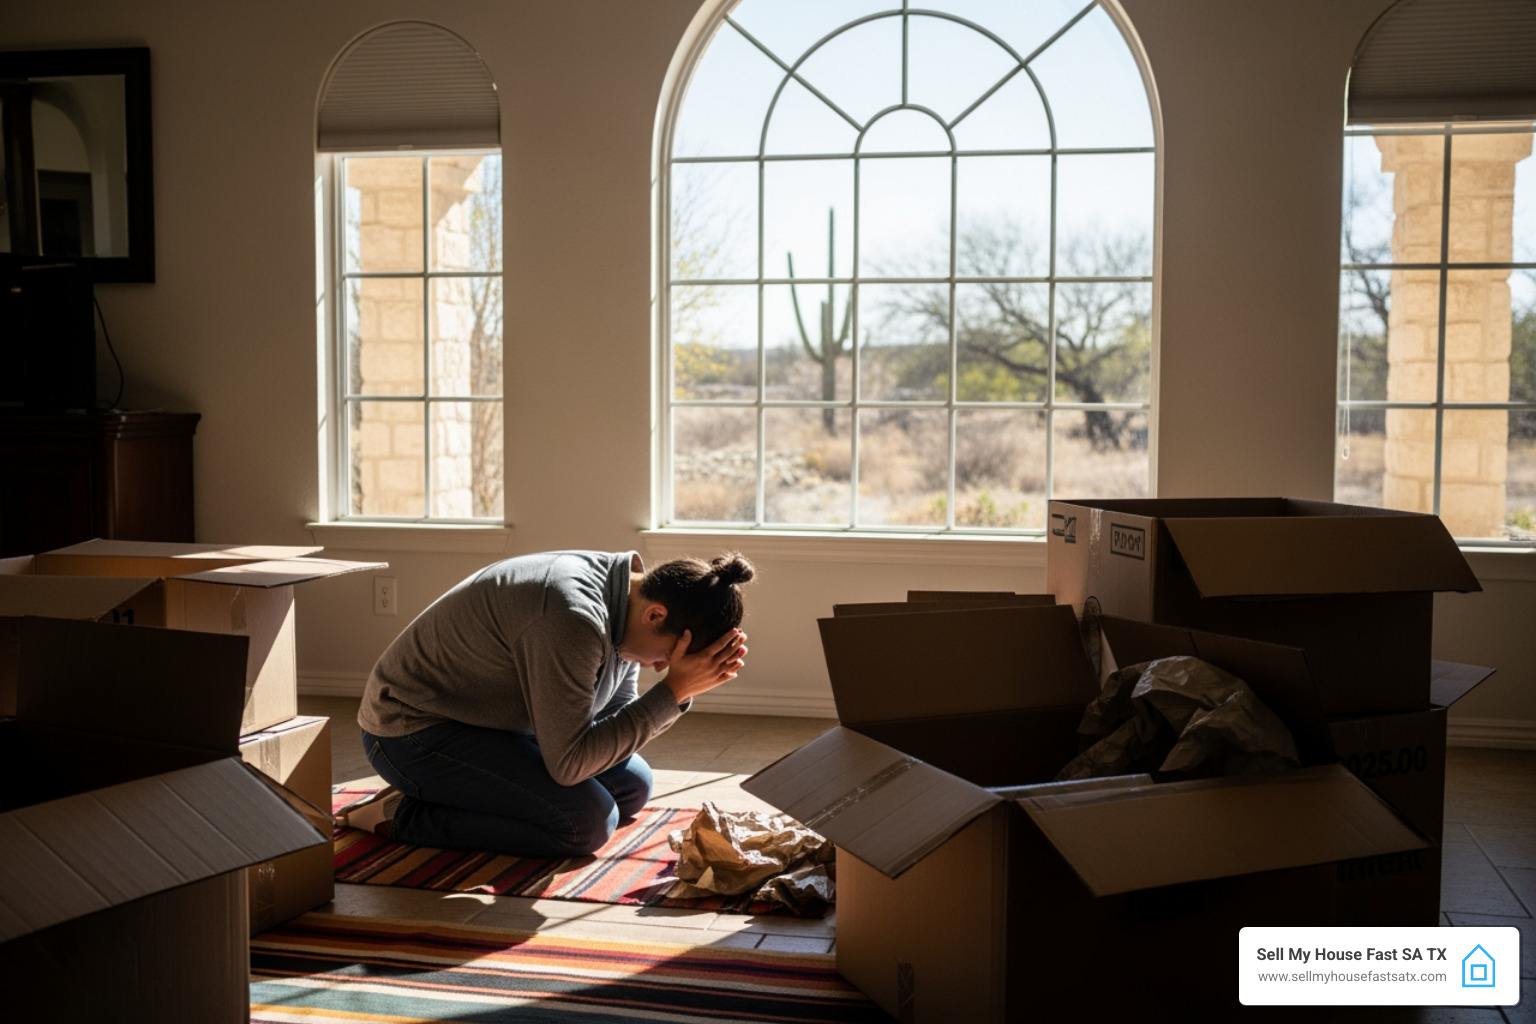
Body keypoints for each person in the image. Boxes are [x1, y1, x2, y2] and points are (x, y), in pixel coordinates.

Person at [344, 549, 753, 858]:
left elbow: (612, 715)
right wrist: (673, 693)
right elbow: (570, 764)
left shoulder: (629, 596)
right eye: (666, 656)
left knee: (632, 785)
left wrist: (673, 693)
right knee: (587, 823)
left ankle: (458, 793)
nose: (661, 666)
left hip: (490, 724)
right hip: (410, 731)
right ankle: (402, 814)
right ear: (655, 616)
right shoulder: (572, 619)